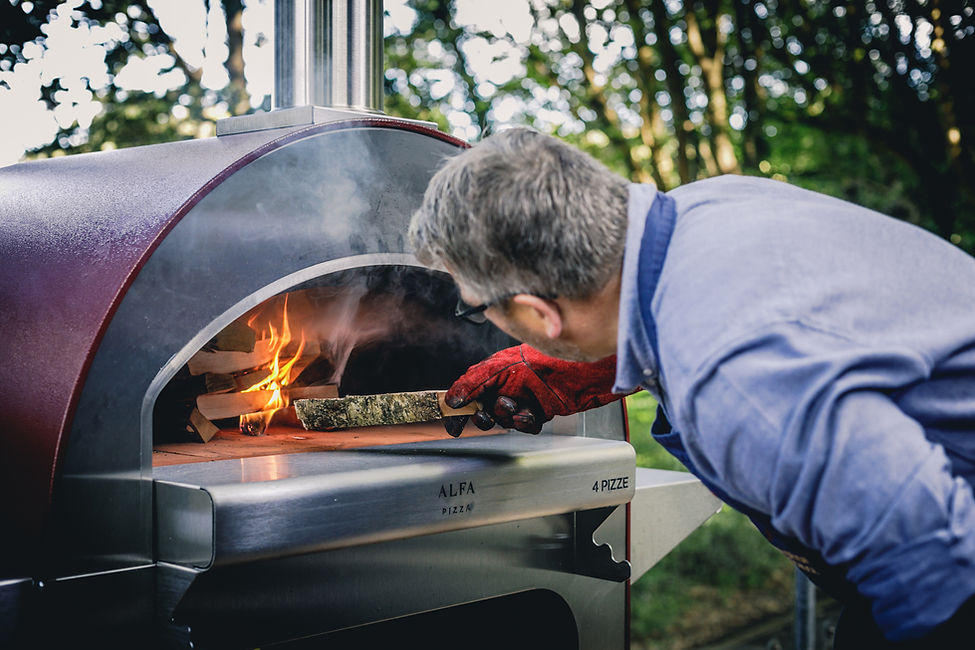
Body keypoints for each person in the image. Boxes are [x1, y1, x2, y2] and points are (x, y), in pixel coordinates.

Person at [408, 127, 975, 648]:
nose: (475, 315)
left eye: (476, 307)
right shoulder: (711, 205)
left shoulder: (732, 373)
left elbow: (939, 580)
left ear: (538, 313)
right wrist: (616, 359)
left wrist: (686, 363)